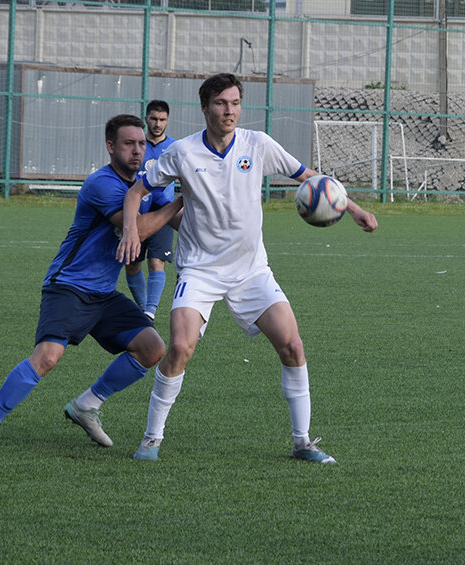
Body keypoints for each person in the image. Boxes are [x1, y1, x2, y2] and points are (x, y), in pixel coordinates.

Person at [117, 73, 377, 464]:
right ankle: (151, 441)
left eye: (235, 103)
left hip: (252, 271)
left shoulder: (257, 144)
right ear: (205, 108)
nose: (230, 111)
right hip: (199, 271)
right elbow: (136, 192)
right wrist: (129, 233)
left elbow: (308, 177)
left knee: (292, 345)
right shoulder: (183, 153)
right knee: (181, 348)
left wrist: (354, 210)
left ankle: (303, 442)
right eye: (221, 103)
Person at [0, 114, 183, 454]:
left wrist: (205, 205)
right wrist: (179, 201)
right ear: (111, 146)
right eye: (128, 144)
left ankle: (86, 405)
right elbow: (138, 228)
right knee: (48, 357)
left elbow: (176, 217)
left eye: (142, 143)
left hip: (103, 293)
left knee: (152, 348)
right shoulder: (102, 183)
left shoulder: (145, 183)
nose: (137, 150)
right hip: (68, 286)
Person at [124, 100, 177, 322]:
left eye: (162, 119)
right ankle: (143, 306)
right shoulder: (138, 146)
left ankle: (150, 311)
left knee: (157, 261)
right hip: (138, 211)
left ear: (167, 120)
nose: (157, 124)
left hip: (164, 211)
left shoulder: (175, 147)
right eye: (154, 119)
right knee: (132, 262)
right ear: (146, 118)